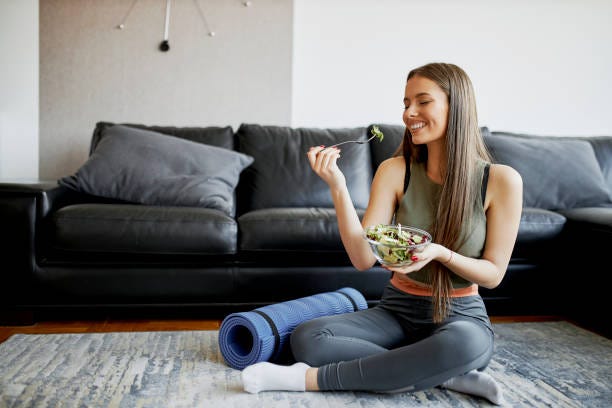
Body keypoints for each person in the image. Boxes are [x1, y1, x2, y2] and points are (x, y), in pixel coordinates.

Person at [240, 62, 522, 405]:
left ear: (456, 105)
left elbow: (493, 275)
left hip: (460, 316)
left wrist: (441, 253)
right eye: (405, 103)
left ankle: (306, 379)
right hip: (396, 311)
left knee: (464, 344)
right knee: (309, 337)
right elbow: (362, 258)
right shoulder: (395, 170)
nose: (409, 113)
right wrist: (338, 187)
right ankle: (439, 372)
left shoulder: (501, 181)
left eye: (422, 101)